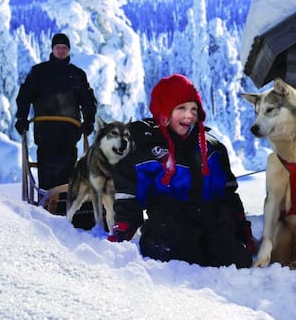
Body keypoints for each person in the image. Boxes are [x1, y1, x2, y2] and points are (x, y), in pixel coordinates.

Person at [107, 74, 254, 269]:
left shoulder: (212, 149)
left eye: (194, 109)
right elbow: (129, 196)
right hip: (169, 222)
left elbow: (228, 194)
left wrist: (242, 227)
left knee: (237, 261)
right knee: (178, 257)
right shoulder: (145, 149)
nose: (189, 115)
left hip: (210, 218)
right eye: (181, 108)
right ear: (164, 111)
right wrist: (123, 229)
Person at [15, 33, 97, 191]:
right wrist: (21, 118)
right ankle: (47, 204)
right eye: (58, 47)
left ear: (69, 50)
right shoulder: (39, 72)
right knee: (47, 166)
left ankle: (67, 204)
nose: (61, 51)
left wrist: (89, 121)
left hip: (69, 129)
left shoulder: (77, 74)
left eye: (64, 48)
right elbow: (24, 96)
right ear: (52, 49)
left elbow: (87, 100)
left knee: (68, 166)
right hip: (45, 128)